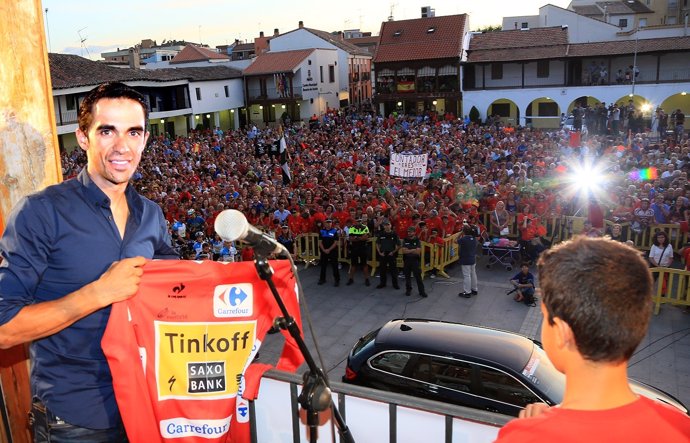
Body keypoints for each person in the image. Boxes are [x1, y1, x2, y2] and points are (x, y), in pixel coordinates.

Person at [0, 82, 178, 440]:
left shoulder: (151, 215)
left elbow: (172, 295)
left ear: (144, 139)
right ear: (83, 137)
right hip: (76, 418)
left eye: (134, 132)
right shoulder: (41, 212)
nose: (122, 146)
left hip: (147, 406)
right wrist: (98, 293)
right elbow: (4, 330)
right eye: (107, 131)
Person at [495, 237, 690, 442]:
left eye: (545, 317)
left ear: (563, 332)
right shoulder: (680, 426)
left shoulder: (521, 437)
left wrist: (535, 428)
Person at [401, 226, 427, 297]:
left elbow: (418, 252)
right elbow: (403, 251)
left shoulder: (417, 240)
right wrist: (413, 250)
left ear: (414, 232)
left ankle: (422, 291)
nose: (409, 233)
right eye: (408, 232)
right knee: (407, 277)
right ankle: (408, 290)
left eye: (411, 232)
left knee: (418, 277)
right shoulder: (405, 240)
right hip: (406, 260)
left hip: (415, 261)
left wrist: (408, 250)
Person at [376, 220, 400, 289]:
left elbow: (399, 245)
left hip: (391, 254)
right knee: (382, 270)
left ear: (390, 225)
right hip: (383, 254)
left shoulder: (394, 234)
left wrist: (393, 252)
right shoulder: (381, 234)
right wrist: (379, 252)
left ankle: (395, 284)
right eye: (385, 225)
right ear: (383, 226)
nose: (387, 226)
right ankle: (382, 283)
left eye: (388, 225)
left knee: (393, 270)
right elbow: (377, 243)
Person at [346, 217, 370, 286]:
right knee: (353, 265)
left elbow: (366, 237)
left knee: (364, 264)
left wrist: (356, 237)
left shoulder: (365, 227)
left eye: (359, 221)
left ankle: (366, 279)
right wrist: (361, 238)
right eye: (357, 221)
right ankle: (351, 279)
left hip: (363, 248)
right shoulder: (352, 228)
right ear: (355, 222)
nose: (358, 222)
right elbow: (351, 239)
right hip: (354, 248)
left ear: (361, 221)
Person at [457, 224, 478, 298]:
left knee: (467, 275)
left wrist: (460, 233)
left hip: (465, 259)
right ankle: (474, 289)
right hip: (472, 258)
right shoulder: (474, 239)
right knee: (473, 274)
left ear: (464, 232)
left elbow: (455, 240)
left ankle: (467, 292)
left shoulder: (463, 239)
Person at [318, 219, 340, 286]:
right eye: (327, 222)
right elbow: (320, 242)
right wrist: (324, 250)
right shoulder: (321, 231)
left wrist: (329, 249)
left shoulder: (334, 231)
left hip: (333, 251)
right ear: (324, 223)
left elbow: (335, 242)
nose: (328, 224)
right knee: (323, 266)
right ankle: (322, 279)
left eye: (330, 222)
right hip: (324, 251)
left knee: (334, 266)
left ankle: (337, 280)